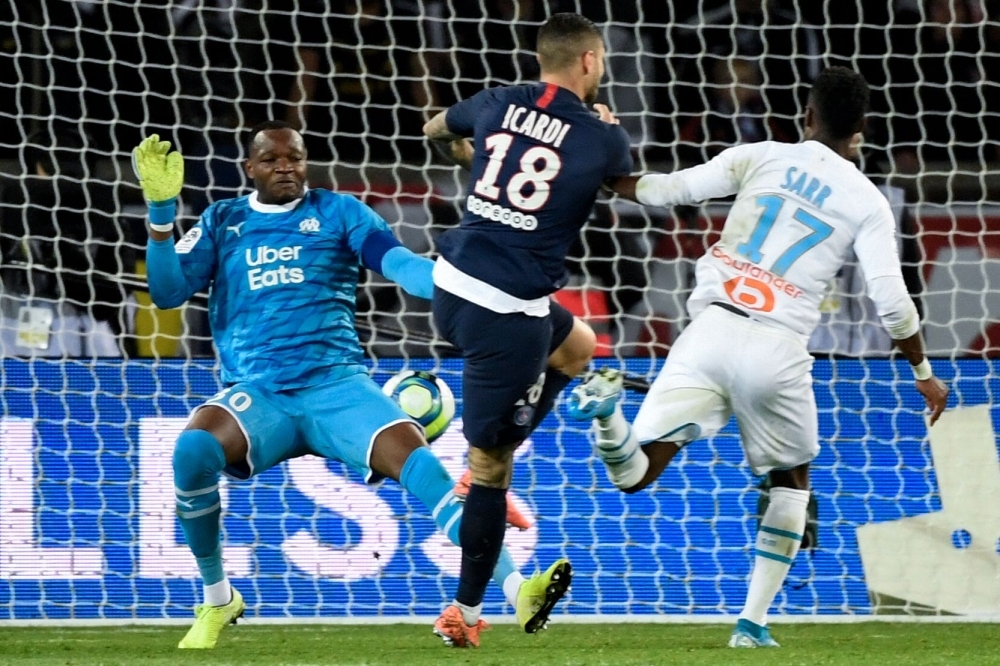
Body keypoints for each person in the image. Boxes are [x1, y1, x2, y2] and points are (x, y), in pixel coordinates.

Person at [131, 122, 570, 649]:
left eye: (294, 157)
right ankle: (218, 597)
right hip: (261, 392)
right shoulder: (224, 221)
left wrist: (463, 285)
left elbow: (398, 264)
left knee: (426, 471)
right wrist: (160, 218)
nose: (285, 167)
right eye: (271, 160)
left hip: (338, 386)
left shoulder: (338, 212)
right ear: (250, 169)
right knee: (192, 449)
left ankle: (519, 588)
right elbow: (166, 292)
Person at [568, 67, 950, 647]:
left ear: (807, 118)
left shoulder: (762, 155)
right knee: (790, 479)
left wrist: (604, 170)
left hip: (709, 330)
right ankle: (751, 624)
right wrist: (923, 374)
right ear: (862, 130)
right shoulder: (868, 201)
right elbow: (892, 304)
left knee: (637, 473)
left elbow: (666, 189)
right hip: (778, 346)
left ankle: (606, 415)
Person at [422, 12, 633, 648]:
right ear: (590, 61)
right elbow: (631, 190)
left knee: (578, 345)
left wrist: (475, 159)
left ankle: (477, 464)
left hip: (452, 281)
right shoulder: (601, 137)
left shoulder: (498, 102)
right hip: (505, 311)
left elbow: (434, 128)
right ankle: (461, 612)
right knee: (493, 467)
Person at [0, 127, 134, 357]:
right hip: (17, 350)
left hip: (92, 352)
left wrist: (61, 245)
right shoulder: (12, 213)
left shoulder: (105, 219)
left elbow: (106, 303)